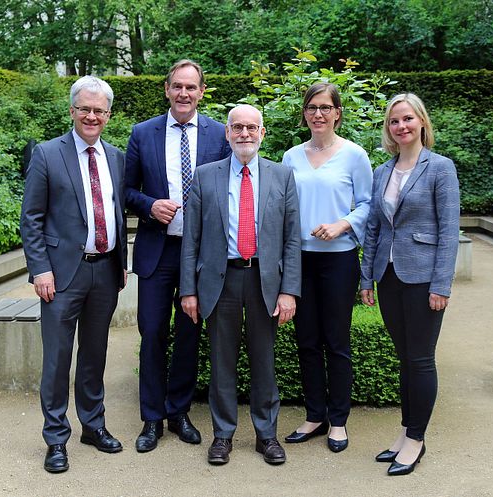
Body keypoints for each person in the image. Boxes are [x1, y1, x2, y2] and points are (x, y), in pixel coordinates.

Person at [180, 104, 301, 466]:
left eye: (251, 127)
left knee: (264, 362)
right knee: (222, 361)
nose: (244, 133)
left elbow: (292, 239)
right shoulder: (204, 176)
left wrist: (289, 290)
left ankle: (266, 435)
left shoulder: (282, 176)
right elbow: (192, 239)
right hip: (221, 281)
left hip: (265, 279)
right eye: (237, 127)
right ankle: (223, 435)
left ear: (262, 133)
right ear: (228, 133)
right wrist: (188, 290)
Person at [20, 76, 128, 473]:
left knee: (94, 355)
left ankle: (93, 426)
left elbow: (115, 211)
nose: (92, 116)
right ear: (72, 111)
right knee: (57, 359)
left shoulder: (115, 157)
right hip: (62, 276)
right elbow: (31, 218)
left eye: (99, 110)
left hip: (105, 272)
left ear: (108, 115)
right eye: (85, 108)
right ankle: (55, 438)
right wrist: (40, 270)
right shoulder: (48, 154)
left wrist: (121, 263)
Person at [125, 60, 232, 453]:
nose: (184, 94)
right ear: (166, 89)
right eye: (177, 87)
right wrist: (150, 205)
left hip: (201, 254)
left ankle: (179, 412)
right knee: (152, 332)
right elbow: (125, 190)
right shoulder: (143, 133)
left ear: (202, 91)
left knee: (189, 333)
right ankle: (151, 418)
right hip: (158, 250)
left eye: (191, 87)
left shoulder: (220, 134)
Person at [360, 93, 460, 476]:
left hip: (422, 279)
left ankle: (416, 441)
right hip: (388, 277)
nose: (401, 127)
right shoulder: (382, 171)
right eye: (394, 122)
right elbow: (374, 228)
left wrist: (442, 285)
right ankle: (406, 433)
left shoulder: (440, 168)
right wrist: (367, 276)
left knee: (420, 360)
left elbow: (450, 231)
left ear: (421, 122)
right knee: (405, 359)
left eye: (407, 119)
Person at [281, 82, 372, 452]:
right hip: (299, 258)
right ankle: (314, 415)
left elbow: (368, 204)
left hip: (338, 259)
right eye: (311, 107)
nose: (318, 114)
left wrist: (342, 224)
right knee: (306, 341)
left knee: (336, 342)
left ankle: (338, 421)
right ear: (304, 113)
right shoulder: (290, 157)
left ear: (337, 113)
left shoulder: (354, 155)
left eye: (325, 107)